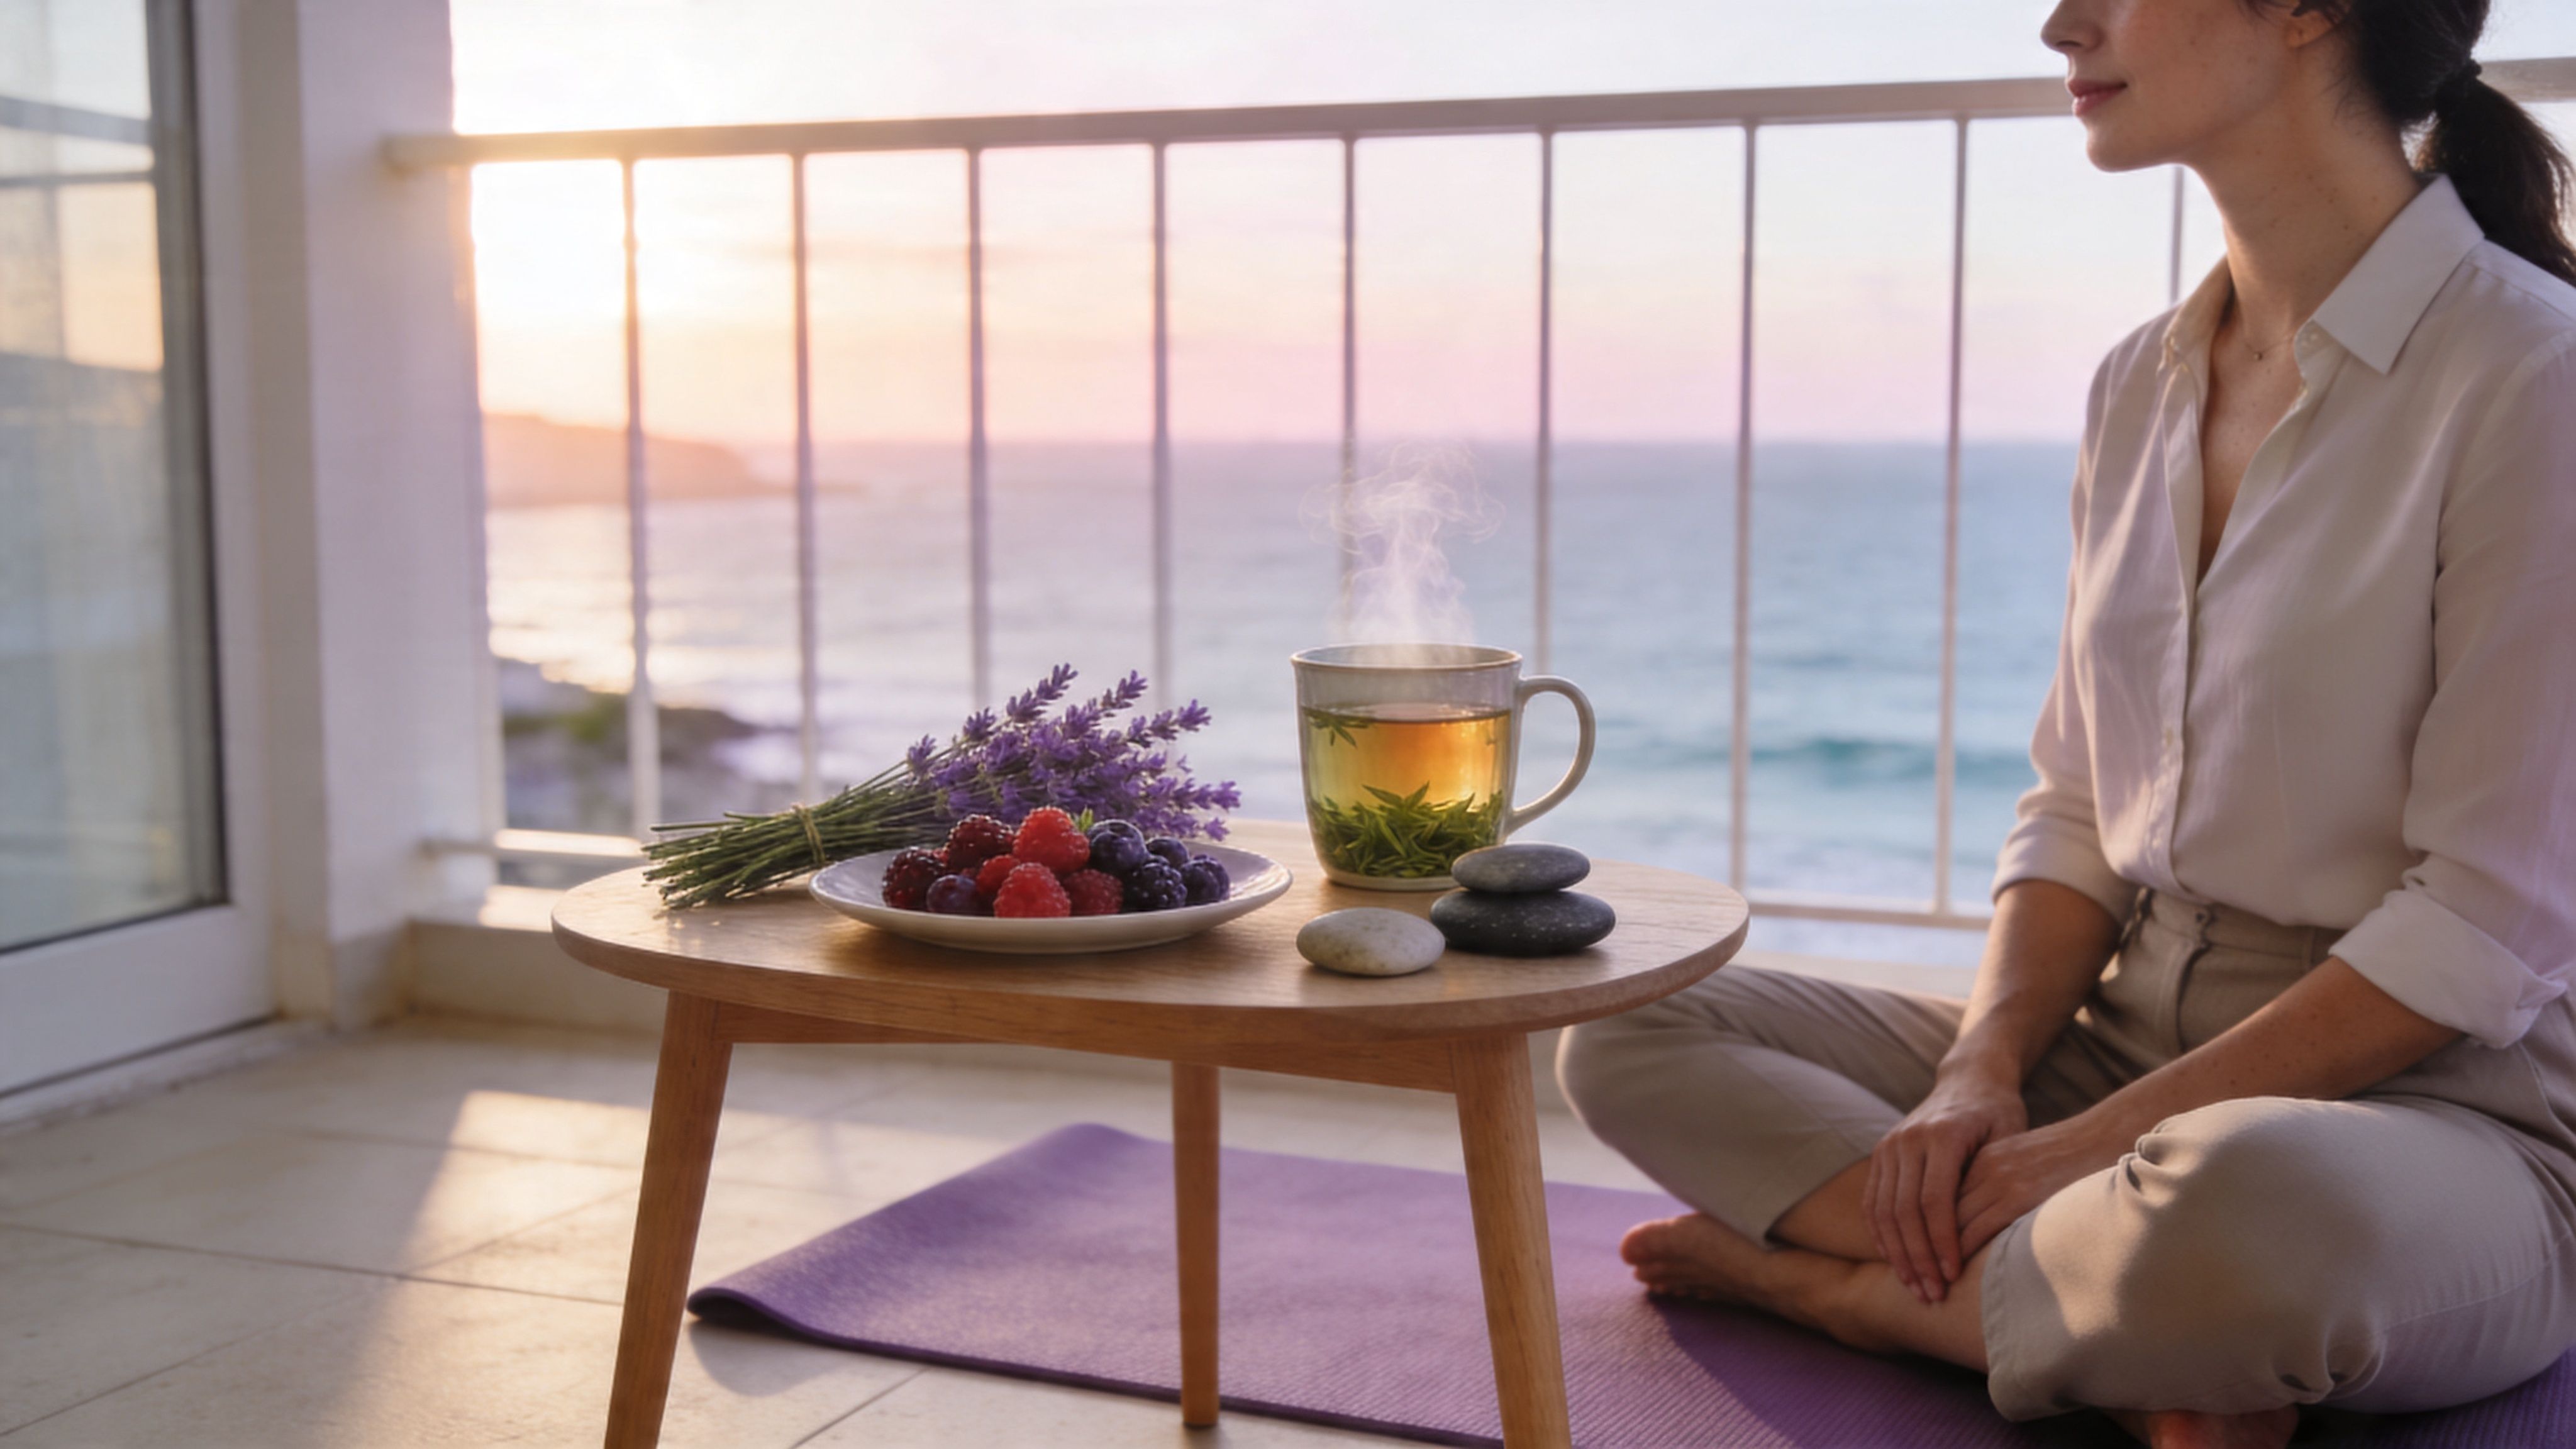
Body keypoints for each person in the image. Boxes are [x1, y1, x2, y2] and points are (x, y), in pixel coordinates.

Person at [1556, 2, 2576, 1446]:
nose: (2058, 22)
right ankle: (2112, 1318)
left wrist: (2085, 1153)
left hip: (2439, 1116)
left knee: (2242, 1211)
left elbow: (2484, 922)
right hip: (2114, 1035)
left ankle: (1856, 1297)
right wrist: (1976, 1075)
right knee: (1627, 1028)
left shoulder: (2531, 376)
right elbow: (2083, 803)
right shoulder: (2138, 382)